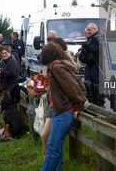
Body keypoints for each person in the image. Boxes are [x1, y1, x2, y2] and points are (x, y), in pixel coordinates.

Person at [39, 42, 86, 170]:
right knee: (55, 149)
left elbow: (73, 87)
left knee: (52, 148)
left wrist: (79, 106)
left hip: (64, 112)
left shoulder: (56, 67)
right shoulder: (58, 66)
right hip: (60, 111)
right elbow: (77, 83)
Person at [81, 23, 104, 107]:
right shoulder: (90, 39)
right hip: (89, 66)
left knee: (97, 86)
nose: (88, 31)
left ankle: (99, 105)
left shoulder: (98, 38)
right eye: (87, 30)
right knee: (88, 84)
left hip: (96, 66)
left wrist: (90, 48)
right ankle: (92, 104)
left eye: (89, 30)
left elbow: (102, 48)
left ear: (95, 29)